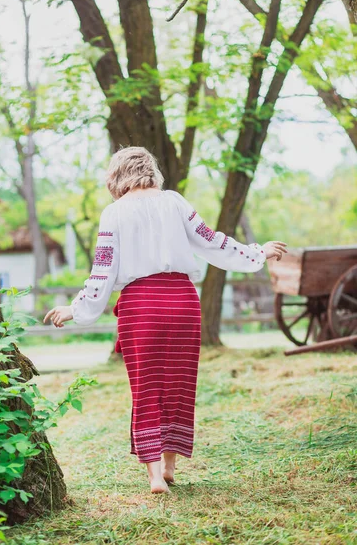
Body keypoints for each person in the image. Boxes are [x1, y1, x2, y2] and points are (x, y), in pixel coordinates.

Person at [43, 146, 287, 494]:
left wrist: (77, 308)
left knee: (147, 387)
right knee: (178, 383)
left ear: (117, 175)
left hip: (143, 306)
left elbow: (103, 269)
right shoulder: (175, 202)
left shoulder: (114, 213)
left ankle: (156, 476)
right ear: (150, 171)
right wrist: (257, 252)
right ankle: (170, 466)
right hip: (183, 302)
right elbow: (212, 242)